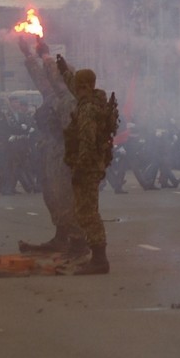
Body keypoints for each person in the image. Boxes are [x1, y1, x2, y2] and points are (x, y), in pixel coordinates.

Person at [16, 36, 88, 256]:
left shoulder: (71, 98)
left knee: (65, 196)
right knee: (51, 195)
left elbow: (52, 75)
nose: (53, 77)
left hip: (67, 154)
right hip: (52, 151)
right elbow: (41, 79)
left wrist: (46, 55)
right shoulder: (54, 95)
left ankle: (77, 241)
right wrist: (29, 55)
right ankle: (61, 236)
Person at [63, 67, 119, 275]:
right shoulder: (97, 101)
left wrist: (79, 167)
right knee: (87, 210)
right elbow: (73, 84)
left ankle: (99, 259)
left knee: (87, 213)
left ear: (83, 86)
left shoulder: (87, 109)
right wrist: (64, 70)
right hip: (95, 165)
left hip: (87, 167)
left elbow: (86, 139)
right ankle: (97, 256)